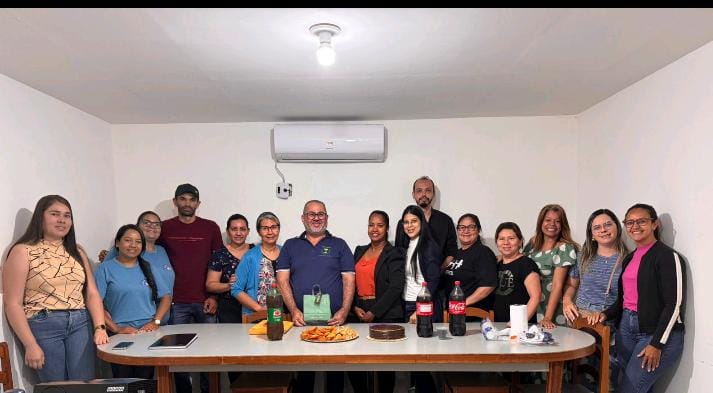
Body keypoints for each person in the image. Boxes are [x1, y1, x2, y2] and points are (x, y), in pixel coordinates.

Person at [3, 195, 109, 382]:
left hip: (80, 322)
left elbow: (92, 293)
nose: (62, 220)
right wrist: (30, 344)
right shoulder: (23, 251)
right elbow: (13, 303)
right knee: (56, 386)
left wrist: (100, 327)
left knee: (85, 384)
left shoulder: (77, 250)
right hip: (44, 324)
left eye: (67, 216)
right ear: (40, 217)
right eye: (55, 214)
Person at [594, 204, 686, 393]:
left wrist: (657, 344)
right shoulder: (630, 258)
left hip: (655, 333)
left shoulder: (667, 256)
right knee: (638, 387)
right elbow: (625, 299)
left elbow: (674, 304)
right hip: (626, 328)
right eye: (630, 222)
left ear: (655, 224)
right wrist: (604, 314)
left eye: (642, 221)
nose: (635, 226)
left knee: (630, 388)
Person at [276, 200, 355, 393]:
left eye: (321, 214)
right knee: (304, 373)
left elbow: (348, 280)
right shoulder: (290, 245)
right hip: (301, 321)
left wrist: (344, 310)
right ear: (303, 218)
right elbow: (282, 280)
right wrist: (294, 310)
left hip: (333, 321)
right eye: (311, 214)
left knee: (335, 373)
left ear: (327, 218)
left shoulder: (340, 244)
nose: (316, 218)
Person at [157, 183, 223, 393]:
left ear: (198, 203)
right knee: (177, 355)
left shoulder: (210, 227)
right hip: (176, 302)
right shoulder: (164, 228)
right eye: (183, 199)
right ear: (175, 202)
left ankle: (208, 390)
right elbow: (143, 247)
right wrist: (110, 254)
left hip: (205, 300)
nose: (187, 203)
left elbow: (218, 263)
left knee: (209, 352)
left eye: (191, 199)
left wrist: (214, 296)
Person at [562, 208, 628, 392]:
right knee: (579, 370)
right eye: (597, 227)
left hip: (610, 321)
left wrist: (603, 315)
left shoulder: (628, 259)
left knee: (606, 374)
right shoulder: (584, 255)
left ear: (617, 227)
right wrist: (567, 301)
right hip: (580, 319)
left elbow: (627, 297)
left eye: (608, 224)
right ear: (591, 235)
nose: (603, 230)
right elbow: (572, 285)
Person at [94, 224, 171, 379]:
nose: (133, 245)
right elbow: (95, 303)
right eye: (128, 240)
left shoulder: (148, 268)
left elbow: (166, 297)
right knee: (124, 381)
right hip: (120, 336)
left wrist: (155, 322)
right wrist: (116, 328)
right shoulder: (105, 269)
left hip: (148, 334)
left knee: (145, 381)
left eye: (138, 242)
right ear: (117, 243)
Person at [348, 210, 405, 393]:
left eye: (380, 225)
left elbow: (396, 287)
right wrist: (354, 305)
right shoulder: (359, 250)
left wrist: (375, 312)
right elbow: (351, 281)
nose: (375, 229)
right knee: (355, 362)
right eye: (371, 224)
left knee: (384, 365)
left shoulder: (394, 253)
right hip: (358, 311)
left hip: (385, 312)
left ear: (387, 228)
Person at [395, 176, 458, 321]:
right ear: (413, 194)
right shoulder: (404, 230)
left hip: (432, 293)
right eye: (419, 191)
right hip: (406, 299)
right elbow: (399, 256)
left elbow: (451, 251)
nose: (424, 194)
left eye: (428, 190)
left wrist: (435, 270)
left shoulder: (444, 222)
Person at [100, 211, 175, 324]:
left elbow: (166, 294)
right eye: (147, 223)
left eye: (156, 224)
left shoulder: (162, 251)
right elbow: (108, 276)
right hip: (126, 323)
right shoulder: (119, 255)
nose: (152, 226)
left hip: (160, 320)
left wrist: (157, 321)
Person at [398, 205, 441, 393]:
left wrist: (419, 309)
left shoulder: (428, 247)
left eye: (414, 221)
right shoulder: (406, 245)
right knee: (413, 359)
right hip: (406, 304)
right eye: (406, 222)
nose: (409, 225)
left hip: (421, 307)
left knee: (421, 359)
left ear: (422, 223)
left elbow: (433, 281)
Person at [524, 204, 579, 329]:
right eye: (548, 220)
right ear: (541, 222)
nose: (552, 224)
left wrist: (548, 317)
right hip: (531, 301)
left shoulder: (564, 248)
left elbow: (557, 285)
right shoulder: (532, 243)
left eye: (557, 221)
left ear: (562, 225)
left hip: (551, 305)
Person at [443, 213, 498, 315]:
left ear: (478, 230)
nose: (466, 231)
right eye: (462, 227)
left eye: (471, 227)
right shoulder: (455, 254)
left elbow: (488, 285)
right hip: (453, 313)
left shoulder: (483, 253)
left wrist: (463, 304)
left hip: (474, 314)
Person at [207, 213, 254, 323]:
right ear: (228, 231)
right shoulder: (220, 254)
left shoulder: (256, 251)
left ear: (248, 231)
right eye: (234, 229)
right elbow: (210, 285)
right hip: (229, 308)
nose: (238, 233)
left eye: (242, 229)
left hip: (254, 306)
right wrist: (229, 285)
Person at [232, 212, 282, 316]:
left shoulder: (286, 253)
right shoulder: (250, 256)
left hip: (284, 315)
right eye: (265, 228)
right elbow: (236, 289)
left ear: (279, 229)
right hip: (256, 317)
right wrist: (259, 309)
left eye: (273, 227)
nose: (270, 232)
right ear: (259, 232)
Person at [493, 222, 541, 324]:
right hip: (497, 325)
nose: (506, 242)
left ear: (520, 242)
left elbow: (535, 297)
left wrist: (517, 322)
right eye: (501, 239)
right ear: (496, 242)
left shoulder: (527, 264)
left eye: (511, 238)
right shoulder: (495, 264)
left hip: (520, 326)